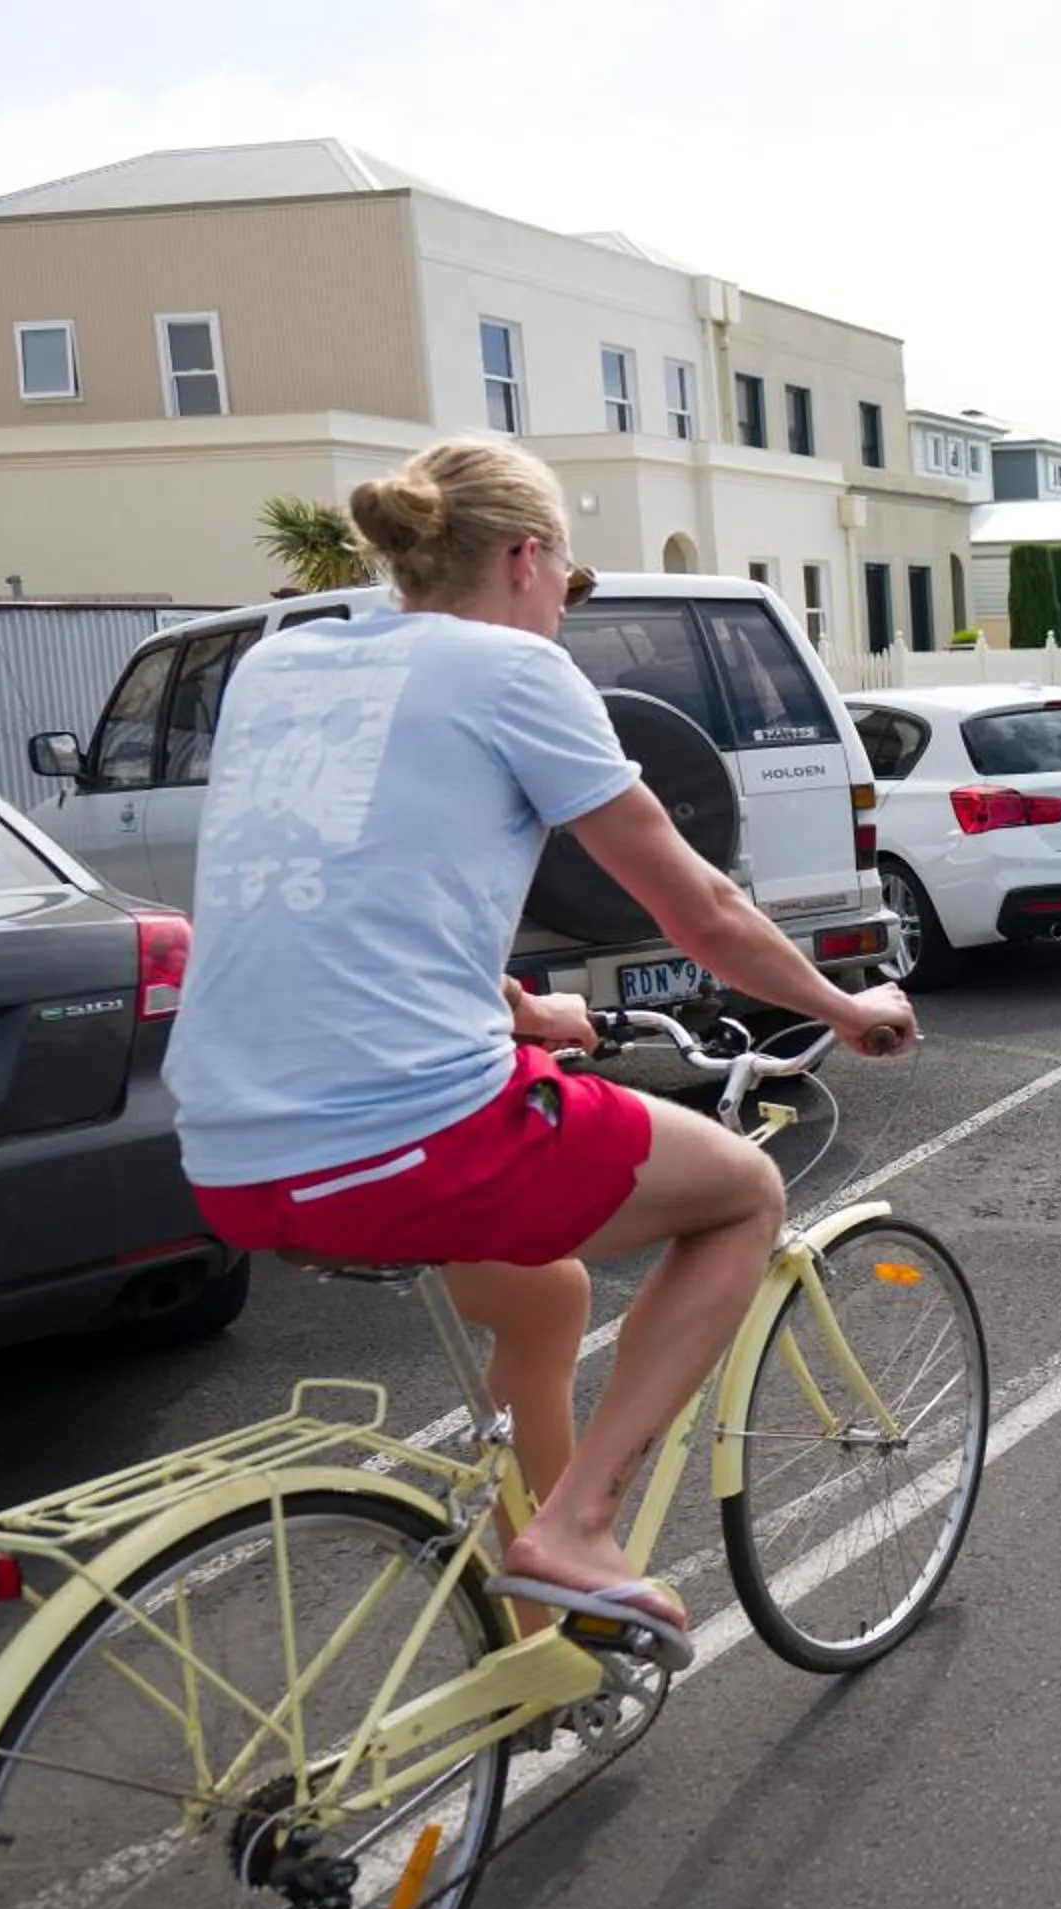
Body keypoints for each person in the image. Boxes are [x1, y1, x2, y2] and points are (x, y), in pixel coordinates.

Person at [165, 438, 916, 1663]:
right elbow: (703, 912)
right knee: (742, 1194)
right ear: (524, 557)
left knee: (548, 1293)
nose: (567, 601)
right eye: (570, 576)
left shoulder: (277, 663)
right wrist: (842, 1006)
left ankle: (542, 1636)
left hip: (233, 1150)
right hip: (406, 1137)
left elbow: (338, 896)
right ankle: (580, 1526)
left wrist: (516, 1011)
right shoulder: (515, 669)